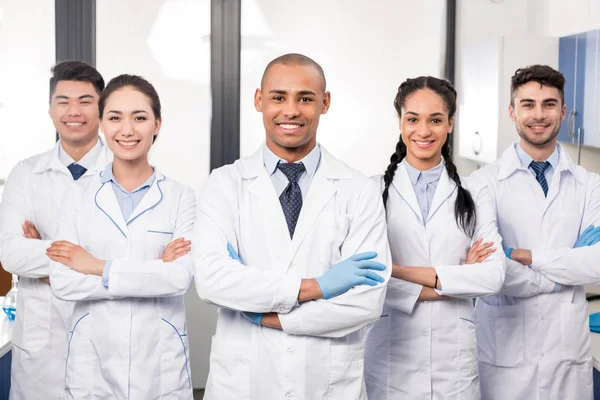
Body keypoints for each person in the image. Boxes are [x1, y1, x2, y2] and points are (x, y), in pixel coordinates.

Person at [194, 53, 391, 400]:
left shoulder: (358, 189)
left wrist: (271, 317)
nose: (291, 110)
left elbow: (366, 302)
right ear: (259, 100)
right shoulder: (224, 184)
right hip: (243, 380)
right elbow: (212, 281)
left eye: (305, 98)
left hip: (326, 380)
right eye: (278, 97)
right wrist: (316, 287)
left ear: (325, 103)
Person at [47, 74, 195, 399]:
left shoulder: (181, 197)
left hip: (158, 362)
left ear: (157, 124)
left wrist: (96, 266)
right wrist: (151, 272)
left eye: (139, 118)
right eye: (115, 118)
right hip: (93, 360)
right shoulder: (78, 194)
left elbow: (179, 278)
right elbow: (62, 281)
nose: (127, 130)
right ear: (101, 124)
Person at [363, 76, 506, 399]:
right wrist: (460, 283)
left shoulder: (476, 191)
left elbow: (493, 276)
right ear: (400, 121)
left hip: (452, 367)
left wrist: (396, 269)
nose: (424, 131)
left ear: (451, 124)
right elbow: (369, 280)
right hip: (390, 361)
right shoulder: (371, 192)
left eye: (436, 120)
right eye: (413, 119)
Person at [473, 64, 600, 400]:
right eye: (528, 104)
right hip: (504, 361)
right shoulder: (483, 183)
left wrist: (527, 256)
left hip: (567, 356)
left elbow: (598, 264)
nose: (538, 115)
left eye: (549, 104)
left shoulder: (590, 185)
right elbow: (491, 270)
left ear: (564, 111)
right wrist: (565, 272)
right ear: (512, 112)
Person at [0, 60, 110, 399]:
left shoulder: (126, 171)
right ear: (50, 110)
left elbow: (133, 259)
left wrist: (45, 250)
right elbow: (11, 254)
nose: (73, 111)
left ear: (102, 109)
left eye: (85, 101)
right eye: (63, 101)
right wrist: (92, 262)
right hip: (41, 348)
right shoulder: (26, 174)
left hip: (107, 338)